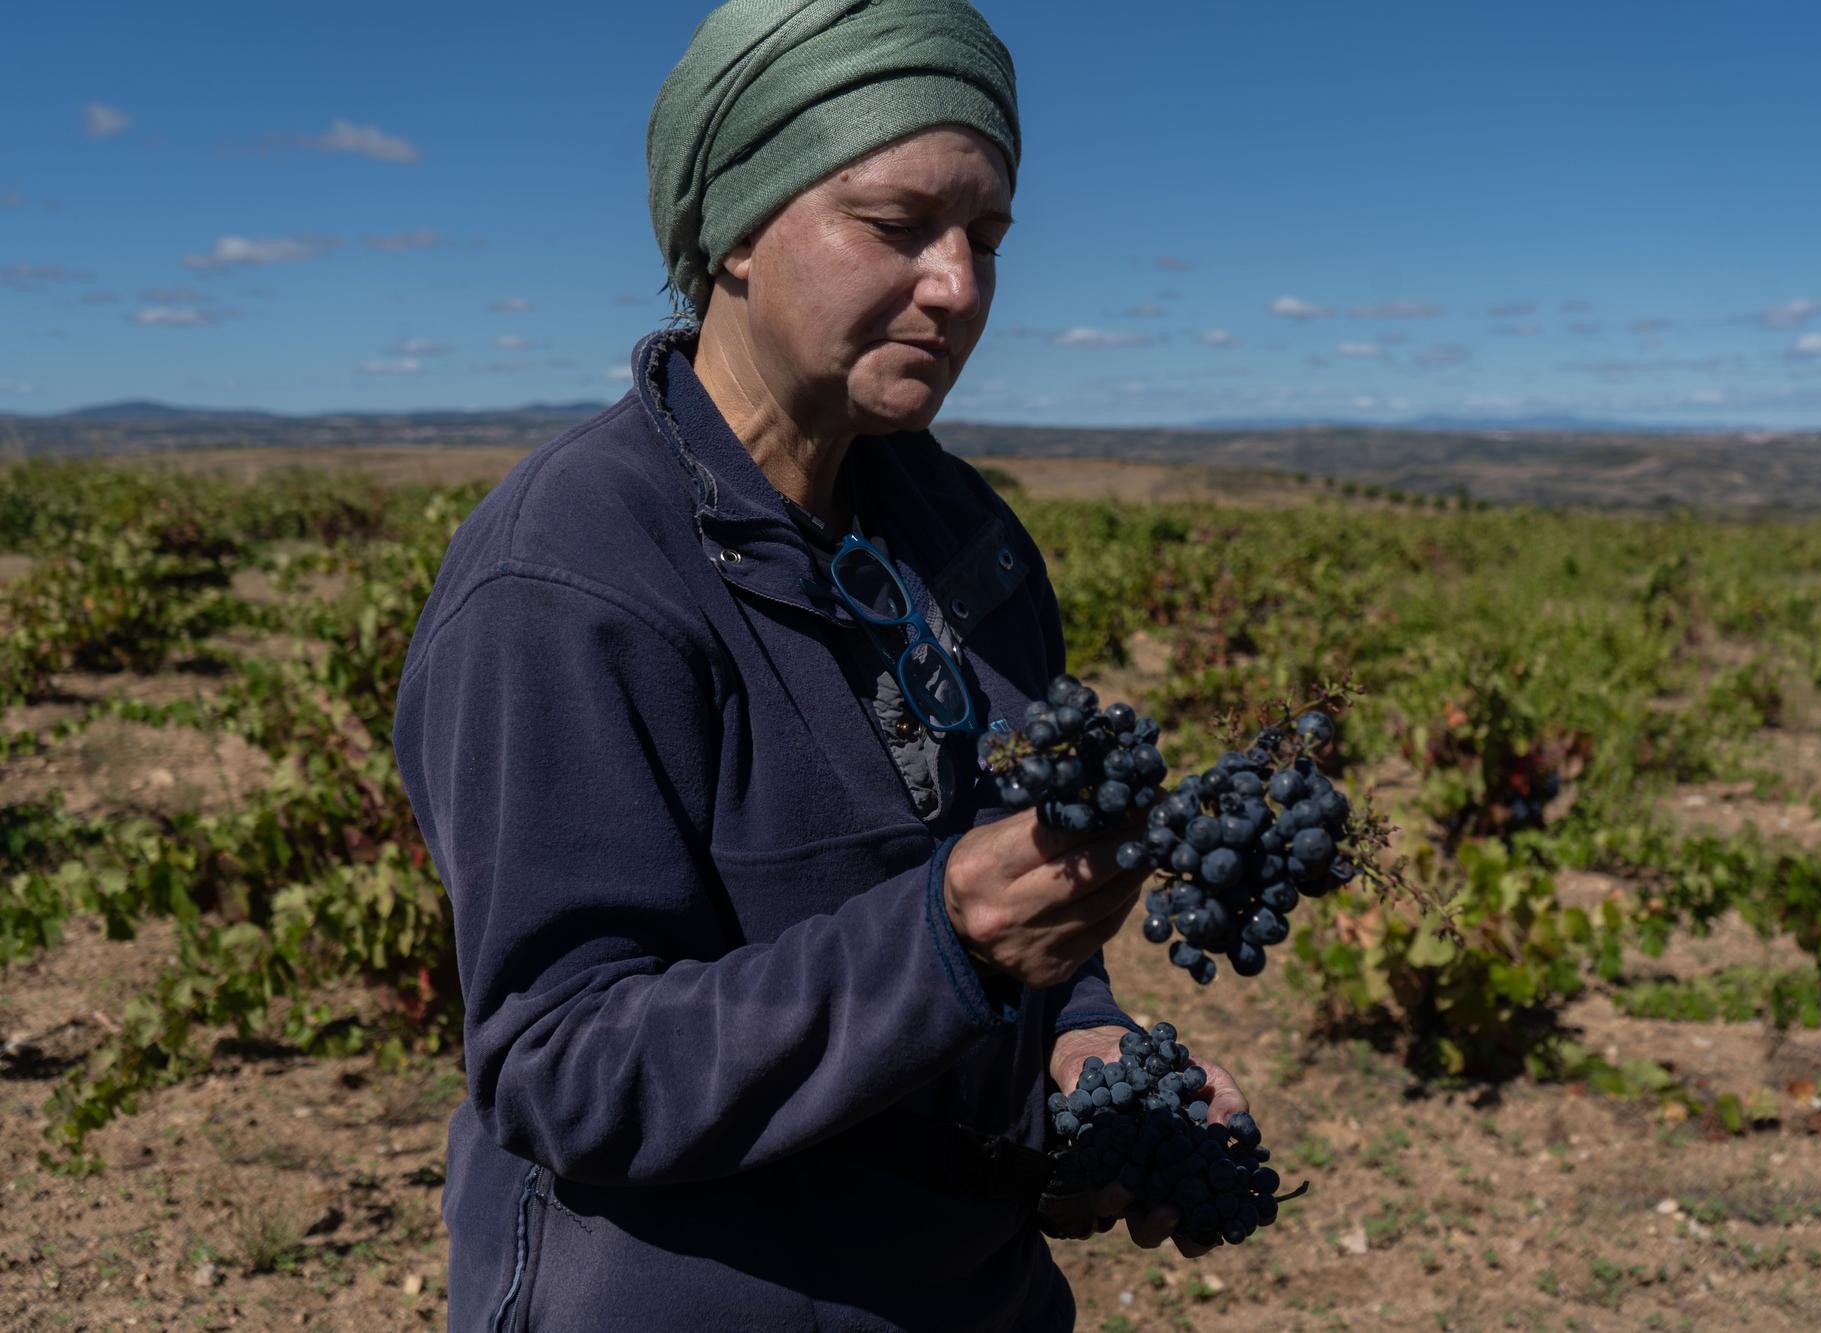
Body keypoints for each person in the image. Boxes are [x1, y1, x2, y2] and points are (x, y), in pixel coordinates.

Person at [391, 1, 1256, 1328]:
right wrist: (949, 942)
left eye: (986, 237)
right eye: (898, 224)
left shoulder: (964, 537)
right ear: (737, 227)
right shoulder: (566, 578)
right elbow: (566, 1067)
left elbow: (1014, 888)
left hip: (965, 1282)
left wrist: (1078, 1031)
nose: (958, 285)